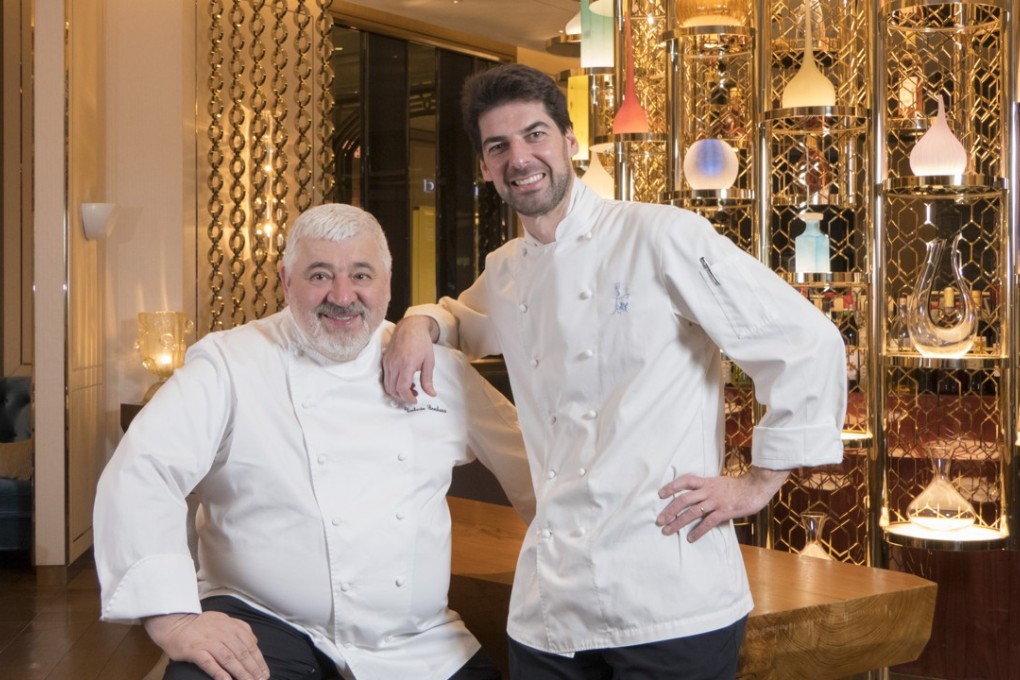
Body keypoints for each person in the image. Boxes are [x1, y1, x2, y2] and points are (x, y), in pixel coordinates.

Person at [382, 63, 847, 679]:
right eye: (499, 146)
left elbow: (806, 339)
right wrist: (419, 323)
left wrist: (757, 485)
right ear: (486, 166)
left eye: (535, 134)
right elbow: (461, 321)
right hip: (550, 609)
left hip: (670, 601)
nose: (520, 157)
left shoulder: (660, 236)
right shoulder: (505, 270)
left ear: (570, 142)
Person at [94, 203, 536, 680]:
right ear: (286, 281)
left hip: (414, 643)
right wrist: (175, 619)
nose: (342, 295)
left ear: (387, 282)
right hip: (261, 623)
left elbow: (536, 470)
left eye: (361, 275)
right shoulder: (230, 363)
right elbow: (144, 468)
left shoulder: (439, 372)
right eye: (320, 275)